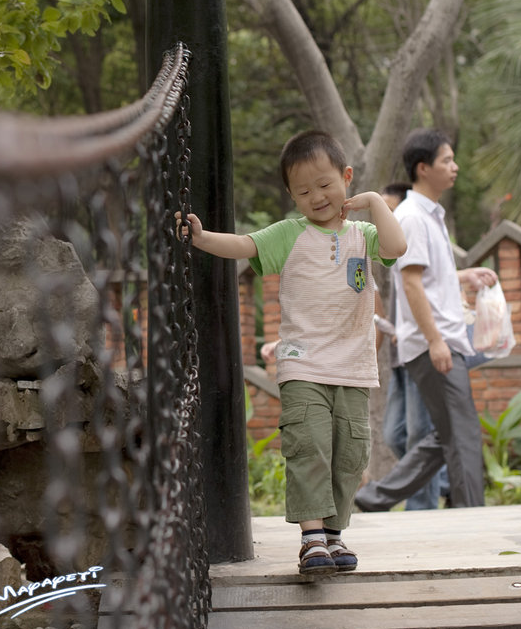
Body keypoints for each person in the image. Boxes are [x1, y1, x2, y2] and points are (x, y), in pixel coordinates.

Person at [176, 130, 406, 576]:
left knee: (349, 454)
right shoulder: (290, 234)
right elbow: (245, 245)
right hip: (303, 364)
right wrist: (202, 239)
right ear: (292, 196)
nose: (316, 197)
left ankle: (334, 537)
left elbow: (397, 247)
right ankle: (311, 539)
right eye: (303, 191)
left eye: (324, 185)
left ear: (346, 178)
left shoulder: (363, 234)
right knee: (309, 447)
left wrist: (376, 200)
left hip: (355, 369)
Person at [355, 128, 496, 512]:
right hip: (436, 342)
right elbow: (411, 283)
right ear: (423, 168)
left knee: (448, 433)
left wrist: (463, 277)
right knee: (463, 433)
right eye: (446, 160)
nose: (455, 166)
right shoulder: (413, 217)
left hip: (441, 340)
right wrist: (435, 340)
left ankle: (372, 498)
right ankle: (472, 517)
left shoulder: (430, 215)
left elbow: (428, 278)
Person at [377, 182, 450, 510]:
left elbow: (430, 282)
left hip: (419, 348)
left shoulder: (412, 231)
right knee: (395, 434)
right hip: (399, 354)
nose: (387, 219)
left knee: (420, 434)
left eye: (391, 211)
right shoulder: (384, 251)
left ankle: (423, 507)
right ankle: (444, 479)